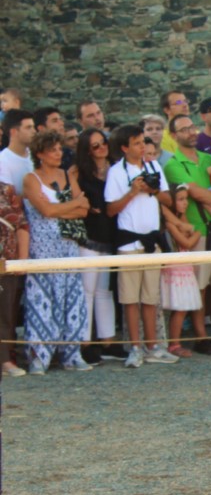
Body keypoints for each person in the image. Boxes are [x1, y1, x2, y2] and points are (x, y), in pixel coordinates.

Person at [163, 114, 211, 353]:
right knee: (200, 286)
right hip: (199, 229)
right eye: (184, 129)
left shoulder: (210, 157)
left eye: (192, 127)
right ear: (174, 136)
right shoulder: (173, 165)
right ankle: (201, 336)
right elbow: (195, 192)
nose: (191, 132)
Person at [107, 124, 179, 367]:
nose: (142, 147)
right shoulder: (116, 172)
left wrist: (152, 189)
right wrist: (132, 191)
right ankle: (135, 348)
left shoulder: (153, 166)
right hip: (129, 243)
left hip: (151, 241)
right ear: (125, 147)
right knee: (130, 299)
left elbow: (168, 199)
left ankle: (153, 346)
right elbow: (110, 209)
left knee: (150, 298)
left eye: (142, 142)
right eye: (137, 143)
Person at [22, 130, 94, 374]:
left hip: (68, 245)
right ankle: (39, 357)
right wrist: (72, 204)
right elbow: (46, 211)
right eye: (52, 150)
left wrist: (63, 207)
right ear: (40, 153)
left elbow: (84, 210)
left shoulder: (66, 175)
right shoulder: (31, 179)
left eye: (59, 149)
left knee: (72, 298)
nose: (57, 153)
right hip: (43, 247)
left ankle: (71, 355)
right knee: (42, 299)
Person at [69, 129, 129, 363]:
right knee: (87, 292)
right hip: (90, 236)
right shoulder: (80, 173)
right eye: (95, 145)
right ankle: (85, 343)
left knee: (105, 292)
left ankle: (108, 341)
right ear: (86, 149)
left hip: (110, 235)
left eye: (103, 142)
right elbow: (78, 201)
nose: (101, 147)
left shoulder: (116, 169)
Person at [161, 185, 203, 358]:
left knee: (182, 308)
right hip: (175, 269)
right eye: (180, 199)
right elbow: (186, 242)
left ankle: (172, 341)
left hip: (184, 267)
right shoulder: (170, 223)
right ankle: (173, 344)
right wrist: (198, 233)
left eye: (186, 199)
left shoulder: (180, 221)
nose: (185, 203)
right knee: (178, 307)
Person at [0, 171, 29, 377]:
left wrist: (23, 259)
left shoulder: (7, 190)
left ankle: (5, 360)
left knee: (6, 314)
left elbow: (21, 224)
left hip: (6, 261)